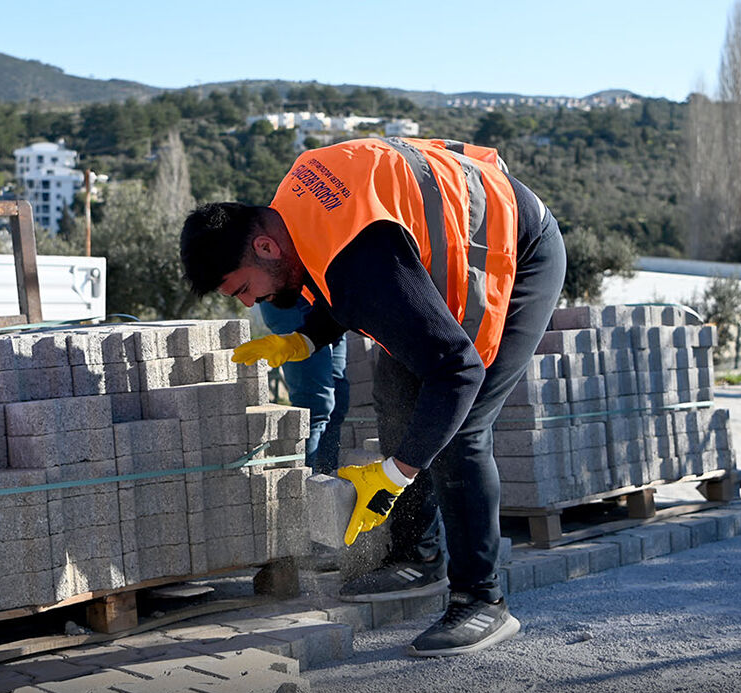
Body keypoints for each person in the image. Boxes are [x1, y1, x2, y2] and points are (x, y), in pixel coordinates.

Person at [181, 137, 565, 657]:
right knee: (396, 395)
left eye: (242, 289)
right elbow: (337, 278)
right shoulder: (294, 208)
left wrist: (395, 475)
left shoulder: (358, 256)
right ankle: (421, 556)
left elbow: (457, 369)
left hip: (520, 249)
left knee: (462, 427)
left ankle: (483, 600)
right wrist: (307, 336)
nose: (252, 302)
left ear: (265, 247)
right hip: (447, 249)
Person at [257, 300, 349, 474]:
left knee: (338, 402)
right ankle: (305, 489)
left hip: (328, 302)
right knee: (315, 405)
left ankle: (329, 484)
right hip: (293, 302)